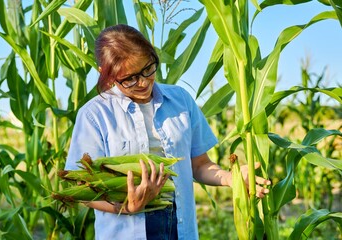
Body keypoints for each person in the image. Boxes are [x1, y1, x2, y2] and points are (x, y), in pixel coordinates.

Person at [65, 24, 271, 240]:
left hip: (179, 228)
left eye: (148, 69)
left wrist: (232, 178)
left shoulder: (181, 101)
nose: (143, 83)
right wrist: (127, 206)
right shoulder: (94, 115)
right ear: (106, 74)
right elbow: (84, 190)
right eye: (129, 79)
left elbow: (199, 165)